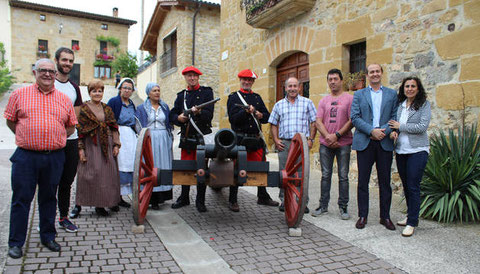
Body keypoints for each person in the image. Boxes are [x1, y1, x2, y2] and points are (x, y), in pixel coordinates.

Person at [4, 59, 77, 258]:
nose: (47, 74)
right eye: (42, 70)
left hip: (54, 157)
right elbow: (11, 121)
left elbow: (71, 126)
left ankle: (48, 236)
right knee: (21, 199)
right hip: (26, 157)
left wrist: (56, 137)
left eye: (51, 71)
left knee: (48, 198)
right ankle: (16, 242)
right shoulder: (19, 94)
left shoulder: (63, 99)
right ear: (34, 72)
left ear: (55, 74)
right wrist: (28, 137)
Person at [350, 63, 398, 230]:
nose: (375, 74)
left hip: (384, 141)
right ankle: (363, 215)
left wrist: (382, 131)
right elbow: (355, 117)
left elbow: (394, 116)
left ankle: (385, 217)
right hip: (365, 141)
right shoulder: (359, 94)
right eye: (372, 72)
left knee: (385, 182)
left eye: (377, 71)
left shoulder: (392, 94)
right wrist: (371, 130)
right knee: (363, 181)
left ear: (381, 73)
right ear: (367, 76)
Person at [226, 69, 279, 212]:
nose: (247, 82)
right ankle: (232, 199)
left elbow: (268, 117)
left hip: (255, 140)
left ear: (253, 82)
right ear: (240, 80)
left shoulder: (257, 97)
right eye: (244, 79)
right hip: (240, 140)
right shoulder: (233, 98)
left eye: (249, 80)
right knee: (236, 169)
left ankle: (262, 196)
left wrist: (260, 115)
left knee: (261, 168)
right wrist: (245, 112)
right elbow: (233, 119)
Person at [388, 76, 430, 237]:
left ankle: (412, 222)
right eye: (407, 86)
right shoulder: (401, 106)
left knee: (413, 186)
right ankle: (410, 216)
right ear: (403, 89)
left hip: (417, 151)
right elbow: (395, 126)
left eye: (413, 86)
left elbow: (422, 126)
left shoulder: (424, 105)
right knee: (406, 186)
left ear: (418, 89)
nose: (410, 89)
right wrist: (394, 132)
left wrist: (401, 126)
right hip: (401, 151)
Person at [268, 77, 317, 213]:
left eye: (295, 86)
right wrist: (276, 140)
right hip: (285, 143)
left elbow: (314, 122)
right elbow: (273, 123)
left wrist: (311, 140)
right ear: (285, 88)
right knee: (284, 173)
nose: (292, 89)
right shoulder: (279, 105)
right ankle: (284, 200)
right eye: (290, 86)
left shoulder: (307, 103)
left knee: (302, 174)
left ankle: (302, 202)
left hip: (301, 144)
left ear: (299, 87)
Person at [169, 66, 214, 212]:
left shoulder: (207, 93)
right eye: (189, 76)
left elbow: (209, 115)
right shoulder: (181, 96)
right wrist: (179, 118)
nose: (192, 78)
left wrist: (199, 113)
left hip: (201, 138)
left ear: (198, 77)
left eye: (194, 76)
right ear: (185, 78)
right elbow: (173, 114)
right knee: (185, 169)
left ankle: (200, 200)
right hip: (187, 138)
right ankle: (184, 197)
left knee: (202, 169)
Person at [312, 69, 353, 220]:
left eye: (336, 79)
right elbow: (318, 121)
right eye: (330, 79)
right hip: (325, 144)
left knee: (343, 176)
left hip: (344, 143)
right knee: (326, 175)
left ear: (341, 80)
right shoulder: (324, 100)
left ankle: (343, 207)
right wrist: (328, 137)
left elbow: (352, 120)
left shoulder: (349, 99)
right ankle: (323, 206)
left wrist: (337, 135)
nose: (333, 82)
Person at [76, 80, 121, 216]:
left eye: (100, 91)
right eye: (94, 91)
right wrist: (81, 149)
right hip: (91, 144)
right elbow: (80, 130)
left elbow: (113, 127)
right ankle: (78, 205)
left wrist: (116, 144)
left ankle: (103, 204)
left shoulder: (107, 108)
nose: (97, 93)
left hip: (106, 145)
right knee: (88, 175)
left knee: (107, 175)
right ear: (89, 92)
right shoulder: (83, 109)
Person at [53, 47, 83, 231]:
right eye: (64, 60)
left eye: (70, 61)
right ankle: (47, 220)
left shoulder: (74, 88)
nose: (67, 64)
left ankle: (63, 218)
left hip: (70, 140)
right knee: (49, 183)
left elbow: (75, 117)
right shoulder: (49, 84)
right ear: (57, 60)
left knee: (66, 182)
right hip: (51, 141)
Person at [135, 83, 174, 209]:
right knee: (152, 165)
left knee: (163, 165)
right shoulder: (142, 108)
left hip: (163, 138)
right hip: (149, 138)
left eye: (158, 90)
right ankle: (151, 197)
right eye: (154, 91)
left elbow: (169, 123)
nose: (157, 93)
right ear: (148, 93)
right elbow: (138, 125)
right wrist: (143, 137)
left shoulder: (164, 107)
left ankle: (162, 195)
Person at [107, 78, 137, 208]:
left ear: (132, 91)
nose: (126, 90)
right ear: (120, 88)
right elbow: (108, 119)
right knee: (117, 164)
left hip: (130, 136)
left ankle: (120, 197)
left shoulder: (131, 104)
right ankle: (113, 198)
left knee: (128, 164)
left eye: (129, 88)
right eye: (124, 87)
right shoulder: (114, 102)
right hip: (117, 134)